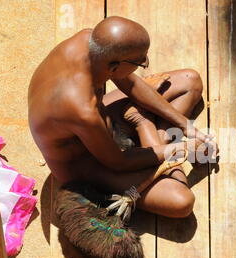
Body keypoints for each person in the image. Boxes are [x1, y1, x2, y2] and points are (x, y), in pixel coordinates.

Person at [28, 16, 218, 218]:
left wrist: (184, 125)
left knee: (190, 81)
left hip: (101, 125)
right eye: (140, 61)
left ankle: (149, 135)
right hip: (88, 165)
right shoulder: (82, 109)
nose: (144, 63)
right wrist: (180, 149)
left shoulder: (89, 41)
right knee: (182, 202)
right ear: (113, 67)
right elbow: (118, 162)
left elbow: (132, 85)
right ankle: (144, 124)